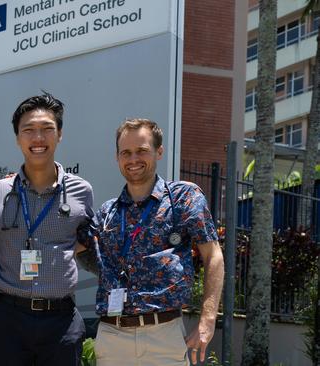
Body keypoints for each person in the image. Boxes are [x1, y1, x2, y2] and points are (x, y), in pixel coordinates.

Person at [80, 118, 224, 365]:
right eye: (126, 152)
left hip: (164, 335)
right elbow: (71, 245)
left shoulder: (183, 198)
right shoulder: (106, 213)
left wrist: (207, 320)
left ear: (159, 151)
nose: (133, 159)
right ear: (117, 158)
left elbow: (213, 256)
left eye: (141, 151)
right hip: (112, 337)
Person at [0, 92, 94, 366]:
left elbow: (85, 239)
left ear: (60, 134)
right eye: (29, 130)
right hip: (7, 318)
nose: (38, 139)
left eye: (47, 129)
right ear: (17, 137)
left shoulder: (81, 191)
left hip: (61, 320)